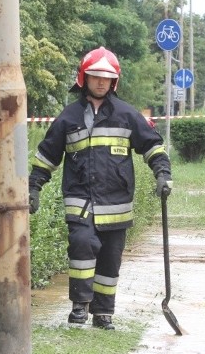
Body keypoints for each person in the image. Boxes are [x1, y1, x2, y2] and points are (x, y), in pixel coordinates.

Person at [28, 47, 173, 330]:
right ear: (85, 78)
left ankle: (103, 313)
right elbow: (47, 157)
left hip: (116, 203)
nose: (101, 82)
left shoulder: (127, 115)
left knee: (110, 260)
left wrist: (162, 175)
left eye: (107, 78)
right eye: (95, 77)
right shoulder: (68, 117)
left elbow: (153, 147)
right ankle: (79, 306)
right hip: (80, 200)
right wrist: (34, 188)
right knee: (82, 246)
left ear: (114, 82)